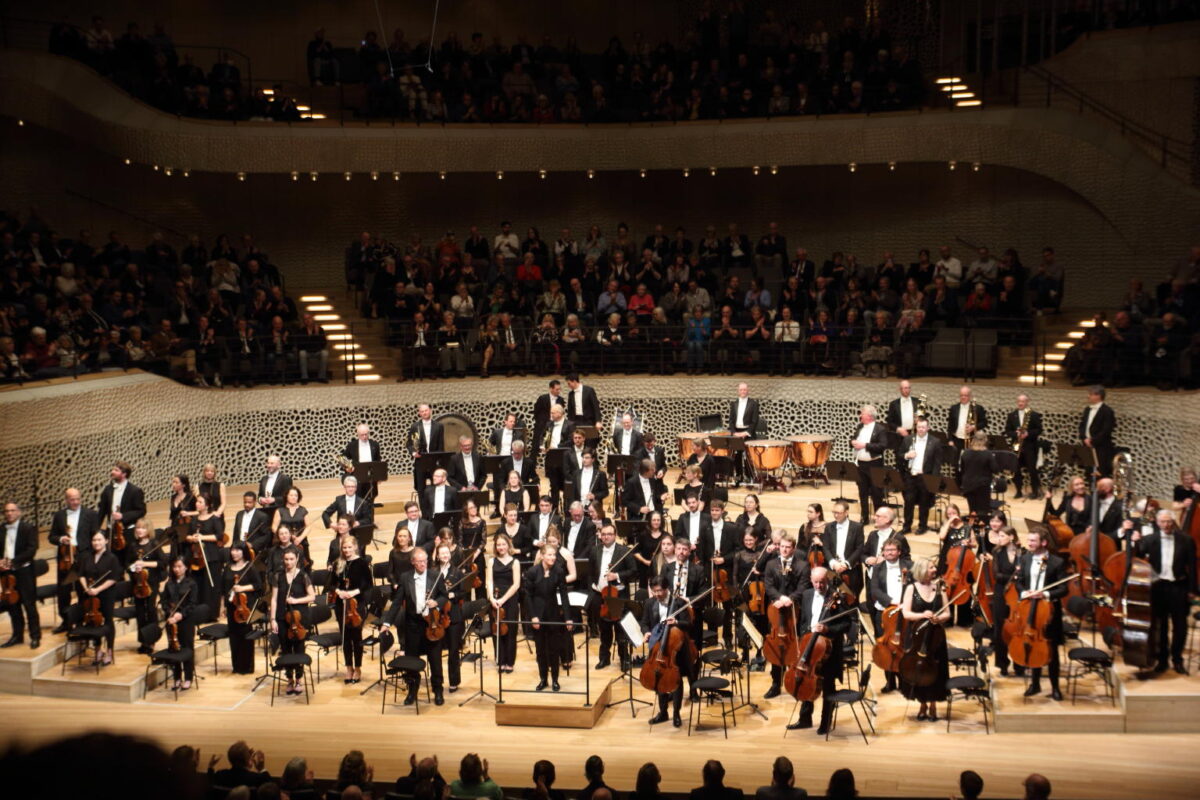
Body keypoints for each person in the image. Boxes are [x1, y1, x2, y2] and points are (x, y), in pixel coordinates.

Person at [1130, 509, 1196, 674]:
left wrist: (1192, 589)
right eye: (1162, 522)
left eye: (1169, 521)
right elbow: (1136, 557)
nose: (1166, 525)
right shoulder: (1149, 540)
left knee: (1180, 626)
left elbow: (1193, 566)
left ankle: (1177, 659)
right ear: (1157, 523)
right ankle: (1162, 659)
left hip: (1179, 586)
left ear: (1173, 522)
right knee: (1161, 626)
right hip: (1158, 587)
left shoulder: (1186, 540)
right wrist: (1133, 541)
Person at [380, 546, 448, 704]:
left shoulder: (435, 575)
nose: (423, 564)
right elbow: (397, 602)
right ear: (413, 562)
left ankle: (438, 690)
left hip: (432, 623)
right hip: (413, 625)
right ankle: (412, 691)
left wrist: (436, 602)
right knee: (411, 660)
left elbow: (444, 596)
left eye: (425, 561)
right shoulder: (405, 578)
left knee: (435, 660)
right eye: (419, 561)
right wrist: (387, 622)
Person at [791, 566, 852, 734]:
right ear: (811, 580)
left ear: (828, 580)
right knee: (807, 681)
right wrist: (804, 638)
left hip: (828, 649)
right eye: (816, 582)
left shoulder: (837, 597)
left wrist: (827, 629)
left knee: (827, 686)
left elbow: (847, 624)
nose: (819, 586)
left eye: (822, 582)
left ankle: (826, 722)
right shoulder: (807, 595)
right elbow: (804, 621)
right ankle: (805, 719)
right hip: (809, 645)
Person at [1015, 527, 1067, 700]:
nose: (1029, 543)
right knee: (1033, 645)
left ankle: (1055, 687)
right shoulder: (1025, 558)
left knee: (1051, 651)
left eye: (1033, 541)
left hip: (1048, 613)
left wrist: (1044, 594)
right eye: (1028, 540)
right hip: (1029, 608)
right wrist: (1025, 592)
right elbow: (1019, 582)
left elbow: (1063, 589)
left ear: (1043, 542)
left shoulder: (1057, 562)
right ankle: (1035, 684)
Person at [899, 556, 951, 720]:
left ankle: (933, 704)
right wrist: (923, 615)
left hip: (936, 637)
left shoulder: (940, 588)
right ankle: (922, 704)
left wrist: (938, 618)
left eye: (934, 567)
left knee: (936, 669)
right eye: (931, 567)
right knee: (919, 669)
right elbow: (906, 613)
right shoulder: (911, 588)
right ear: (922, 570)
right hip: (917, 636)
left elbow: (947, 613)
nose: (935, 569)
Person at [640, 575, 695, 727]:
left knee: (676, 681)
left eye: (660, 591)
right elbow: (644, 622)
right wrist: (646, 632)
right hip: (657, 647)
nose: (657, 594)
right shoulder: (649, 603)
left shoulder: (679, 603)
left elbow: (689, 624)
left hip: (675, 648)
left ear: (666, 589)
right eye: (654, 591)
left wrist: (676, 622)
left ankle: (676, 714)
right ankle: (663, 713)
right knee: (658, 678)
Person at [762, 533, 809, 698]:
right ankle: (776, 683)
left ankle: (793, 681)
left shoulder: (802, 565)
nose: (784, 550)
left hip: (794, 610)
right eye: (782, 546)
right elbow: (768, 585)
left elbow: (803, 587)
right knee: (777, 646)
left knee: (794, 646)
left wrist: (790, 598)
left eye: (788, 547)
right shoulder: (771, 564)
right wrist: (779, 598)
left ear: (793, 549)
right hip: (776, 609)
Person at [48, 488, 101, 633]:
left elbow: (95, 536)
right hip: (65, 559)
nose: (76, 502)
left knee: (82, 590)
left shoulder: (91, 514)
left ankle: (82, 619)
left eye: (78, 498)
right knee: (63, 592)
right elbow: (51, 537)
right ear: (66, 500)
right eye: (72, 499)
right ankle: (66, 622)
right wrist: (61, 539)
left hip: (83, 556)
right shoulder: (59, 516)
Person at [524, 543, 573, 691]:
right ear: (542, 556)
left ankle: (555, 680)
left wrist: (568, 617)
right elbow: (527, 596)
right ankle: (543, 679)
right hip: (537, 614)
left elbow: (564, 595)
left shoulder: (558, 571)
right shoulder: (532, 572)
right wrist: (533, 616)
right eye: (549, 555)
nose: (552, 557)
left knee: (554, 649)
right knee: (540, 650)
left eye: (554, 555)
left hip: (553, 613)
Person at [269, 548, 315, 696]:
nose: (288, 562)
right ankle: (289, 679)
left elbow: (312, 597)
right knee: (286, 648)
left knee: (299, 648)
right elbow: (274, 599)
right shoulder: (278, 576)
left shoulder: (303, 576)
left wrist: (295, 601)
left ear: (296, 559)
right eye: (286, 559)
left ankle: (299, 679)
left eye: (291, 559)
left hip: (300, 617)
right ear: (283, 560)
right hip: (282, 617)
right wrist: (273, 619)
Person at [868, 537, 912, 692]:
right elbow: (875, 590)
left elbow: (915, 586)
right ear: (883, 553)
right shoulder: (877, 568)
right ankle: (890, 681)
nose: (890, 553)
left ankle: (905, 681)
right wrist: (892, 601)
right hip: (884, 612)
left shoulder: (909, 566)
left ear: (899, 552)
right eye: (887, 550)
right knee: (886, 648)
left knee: (904, 646)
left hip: (904, 611)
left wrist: (905, 602)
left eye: (893, 550)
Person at [590, 523, 636, 670]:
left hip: (617, 595)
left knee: (620, 630)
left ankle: (624, 659)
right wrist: (592, 585)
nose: (606, 537)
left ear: (615, 535)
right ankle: (604, 658)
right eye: (603, 534)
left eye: (609, 534)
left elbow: (633, 571)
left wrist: (616, 575)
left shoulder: (624, 551)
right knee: (604, 630)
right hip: (600, 595)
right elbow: (590, 571)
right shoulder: (595, 550)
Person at [331, 535, 372, 684]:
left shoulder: (362, 563)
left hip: (356, 604)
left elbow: (368, 584)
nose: (347, 550)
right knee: (345, 638)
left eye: (349, 547)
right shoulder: (338, 563)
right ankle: (349, 668)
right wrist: (339, 592)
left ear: (355, 547)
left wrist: (354, 592)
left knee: (356, 637)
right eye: (344, 547)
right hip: (341, 604)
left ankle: (358, 668)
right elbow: (331, 583)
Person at [76, 529, 120, 664]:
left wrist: (98, 589)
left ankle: (110, 651)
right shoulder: (86, 557)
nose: (96, 542)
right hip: (90, 595)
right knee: (94, 622)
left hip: (106, 594)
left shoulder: (112, 558)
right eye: (94, 540)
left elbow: (113, 578)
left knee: (107, 621)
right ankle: (98, 650)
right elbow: (81, 575)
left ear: (106, 540)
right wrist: (86, 588)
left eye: (99, 539)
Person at [1, 501, 41, 648]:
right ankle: (17, 636)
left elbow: (31, 550)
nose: (9, 513)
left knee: (29, 605)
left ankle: (35, 636)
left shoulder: (28, 528)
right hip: (6, 573)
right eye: (7, 511)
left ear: (19, 512)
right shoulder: (1, 529)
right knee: (12, 605)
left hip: (24, 572)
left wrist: (12, 562)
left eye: (12, 510)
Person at [985, 525, 1023, 676]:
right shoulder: (997, 552)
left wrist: (1018, 577)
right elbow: (997, 575)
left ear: (1011, 537)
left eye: (1002, 536)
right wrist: (1014, 577)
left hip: (1017, 594)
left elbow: (1024, 574)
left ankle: (1019, 663)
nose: (998, 539)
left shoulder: (1022, 553)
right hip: (1001, 593)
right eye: (998, 536)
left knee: (1017, 628)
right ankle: (1003, 664)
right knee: (1000, 629)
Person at [220, 542, 260, 674]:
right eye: (233, 550)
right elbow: (223, 589)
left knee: (245, 637)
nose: (234, 553)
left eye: (238, 550)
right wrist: (222, 607)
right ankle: (236, 666)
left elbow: (258, 585)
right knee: (234, 637)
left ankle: (247, 667)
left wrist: (242, 588)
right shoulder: (227, 567)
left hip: (245, 607)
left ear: (244, 552)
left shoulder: (250, 567)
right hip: (232, 607)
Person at [160, 555, 198, 690]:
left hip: (186, 621)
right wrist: (169, 613)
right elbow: (164, 602)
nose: (176, 569)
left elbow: (192, 604)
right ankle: (177, 677)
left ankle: (188, 677)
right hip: (171, 621)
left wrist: (180, 615)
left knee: (187, 648)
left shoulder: (191, 584)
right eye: (174, 566)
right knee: (173, 648)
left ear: (186, 567)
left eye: (180, 566)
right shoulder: (169, 584)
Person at [901, 418, 941, 533]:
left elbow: (937, 463)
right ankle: (907, 526)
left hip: (925, 476)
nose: (921, 429)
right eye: (919, 427)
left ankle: (922, 526)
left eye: (923, 427)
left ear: (928, 428)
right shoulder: (908, 439)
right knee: (908, 502)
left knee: (924, 502)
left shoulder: (935, 442)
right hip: (910, 476)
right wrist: (906, 455)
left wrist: (933, 480)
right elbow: (899, 454)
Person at [487, 532, 521, 672]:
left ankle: (509, 661)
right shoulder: (491, 561)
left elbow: (516, 584)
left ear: (508, 545)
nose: (501, 547)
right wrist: (492, 598)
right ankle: (500, 660)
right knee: (497, 631)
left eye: (503, 544)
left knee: (511, 631)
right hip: (495, 599)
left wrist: (503, 599)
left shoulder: (515, 562)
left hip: (510, 600)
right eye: (498, 545)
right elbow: (489, 581)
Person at [850, 405, 888, 521]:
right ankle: (864, 517)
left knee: (877, 493)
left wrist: (865, 445)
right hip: (860, 465)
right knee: (862, 492)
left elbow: (883, 446)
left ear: (870, 416)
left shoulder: (880, 429)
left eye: (862, 413)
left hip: (874, 465)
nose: (860, 415)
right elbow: (853, 438)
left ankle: (878, 518)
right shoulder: (860, 426)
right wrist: (852, 442)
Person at [821, 501, 865, 598]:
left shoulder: (857, 527)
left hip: (850, 569)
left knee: (851, 598)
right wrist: (833, 563)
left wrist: (846, 564)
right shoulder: (829, 527)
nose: (836, 515)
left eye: (839, 513)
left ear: (846, 512)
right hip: (833, 568)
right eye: (834, 512)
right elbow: (826, 547)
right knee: (833, 597)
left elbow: (859, 548)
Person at [1005, 394, 1043, 500]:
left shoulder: (1034, 415)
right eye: (1019, 401)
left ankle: (1035, 491)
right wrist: (1015, 434)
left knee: (1032, 470)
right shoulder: (1011, 415)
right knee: (1015, 469)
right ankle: (1018, 491)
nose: (1020, 403)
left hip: (1030, 446)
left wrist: (1028, 433)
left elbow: (1039, 430)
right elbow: (1008, 431)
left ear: (1027, 402)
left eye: (1023, 401)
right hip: (1016, 447)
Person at [1080, 385, 1117, 478]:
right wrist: (1084, 438)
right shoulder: (1087, 409)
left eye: (1090, 394)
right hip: (1087, 446)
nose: (1088, 396)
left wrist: (1093, 441)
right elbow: (1082, 426)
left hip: (1101, 448)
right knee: (1088, 473)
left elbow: (1106, 430)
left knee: (1100, 473)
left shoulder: (1107, 411)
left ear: (1098, 396)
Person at [960, 432, 999, 518]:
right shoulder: (988, 454)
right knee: (983, 512)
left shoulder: (965, 453)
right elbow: (995, 470)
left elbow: (962, 470)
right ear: (985, 440)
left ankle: (972, 526)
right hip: (982, 487)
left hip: (968, 486)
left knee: (972, 511)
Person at [408, 403, 445, 491]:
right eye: (422, 411)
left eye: (426, 410)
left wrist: (440, 461)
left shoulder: (439, 426)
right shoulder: (415, 426)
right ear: (419, 413)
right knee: (420, 488)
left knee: (437, 487)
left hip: (434, 461)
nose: (424, 413)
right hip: (420, 460)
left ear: (430, 411)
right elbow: (409, 443)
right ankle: (422, 501)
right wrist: (414, 453)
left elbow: (441, 444)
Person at [728, 382, 760, 483]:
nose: (743, 391)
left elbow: (755, 421)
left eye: (745, 389)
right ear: (738, 391)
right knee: (736, 455)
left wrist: (745, 433)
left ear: (748, 391)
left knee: (748, 457)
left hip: (748, 433)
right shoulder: (734, 404)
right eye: (741, 390)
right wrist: (734, 433)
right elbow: (731, 421)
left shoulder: (753, 404)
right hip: (736, 433)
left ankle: (749, 476)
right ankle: (738, 476)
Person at [341, 423, 382, 499]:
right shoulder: (352, 445)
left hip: (371, 475)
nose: (364, 437)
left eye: (366, 434)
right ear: (358, 434)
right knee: (358, 497)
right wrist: (347, 467)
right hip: (357, 474)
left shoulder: (375, 445)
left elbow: (378, 460)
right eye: (362, 435)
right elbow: (343, 457)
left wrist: (378, 476)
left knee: (371, 497)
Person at [947, 385, 988, 452]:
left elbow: (984, 423)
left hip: (972, 440)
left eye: (965, 395)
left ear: (970, 396)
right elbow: (950, 426)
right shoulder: (954, 408)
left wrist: (973, 427)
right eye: (961, 395)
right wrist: (950, 440)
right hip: (956, 440)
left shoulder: (977, 408)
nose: (963, 397)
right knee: (955, 458)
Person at [255, 455, 292, 525]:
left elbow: (289, 497)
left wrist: (274, 499)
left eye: (272, 463)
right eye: (268, 463)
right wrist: (260, 499)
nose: (269, 465)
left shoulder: (285, 479)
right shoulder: (263, 479)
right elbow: (260, 495)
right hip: (266, 513)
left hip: (281, 514)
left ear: (279, 465)